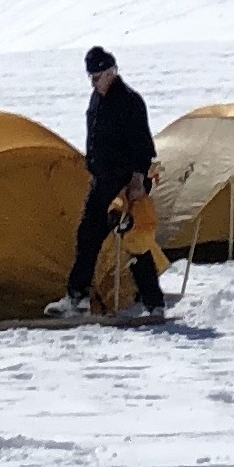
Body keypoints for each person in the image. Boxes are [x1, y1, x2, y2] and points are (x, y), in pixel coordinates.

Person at [70, 46, 165, 316]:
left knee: (135, 241)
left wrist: (137, 180)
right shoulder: (96, 100)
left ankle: (154, 303)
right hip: (102, 181)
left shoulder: (129, 101)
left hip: (125, 184)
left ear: (111, 72)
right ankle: (76, 297)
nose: (93, 82)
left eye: (97, 76)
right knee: (87, 235)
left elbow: (143, 146)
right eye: (91, 77)